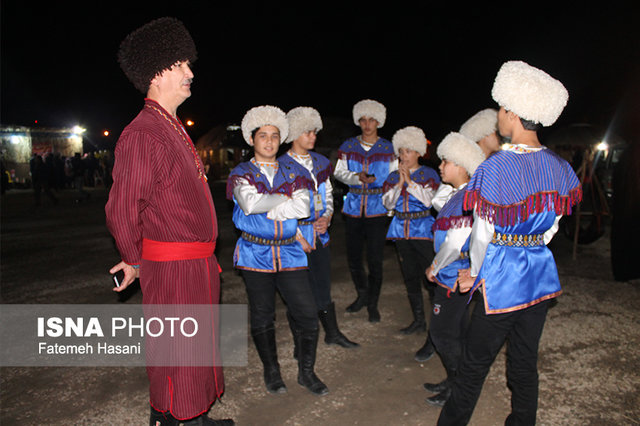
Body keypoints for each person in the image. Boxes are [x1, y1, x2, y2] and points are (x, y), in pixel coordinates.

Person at [438, 60, 582, 425]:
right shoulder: (560, 166)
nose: (498, 116)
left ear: (513, 114)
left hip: (502, 276)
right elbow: (552, 228)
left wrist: (475, 272)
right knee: (524, 362)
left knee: (473, 366)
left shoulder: (497, 166)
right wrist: (530, 242)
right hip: (538, 272)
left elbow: (483, 232)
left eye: (501, 109)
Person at [105, 17, 233, 426]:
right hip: (174, 269)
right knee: (178, 356)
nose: (190, 72)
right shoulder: (143, 133)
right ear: (156, 71)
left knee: (195, 353)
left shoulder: (172, 126)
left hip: (195, 265)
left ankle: (193, 416)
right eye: (180, 64)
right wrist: (134, 258)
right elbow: (122, 208)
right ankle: (178, 420)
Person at [227, 105, 329, 396]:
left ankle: (306, 373)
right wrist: (282, 202)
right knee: (262, 315)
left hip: (290, 251)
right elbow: (248, 204)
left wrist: (269, 203)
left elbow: (304, 206)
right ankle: (272, 371)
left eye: (274, 136)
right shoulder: (240, 172)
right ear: (251, 139)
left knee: (308, 313)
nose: (269, 141)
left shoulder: (293, 171)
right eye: (263, 136)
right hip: (254, 252)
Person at [280, 106, 359, 351]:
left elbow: (327, 194)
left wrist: (326, 216)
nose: (313, 136)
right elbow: (278, 208)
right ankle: (300, 342)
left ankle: (332, 333)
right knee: (298, 295)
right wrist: (295, 231)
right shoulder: (280, 165)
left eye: (314, 132)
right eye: (307, 132)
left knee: (323, 286)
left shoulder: (322, 162)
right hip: (293, 239)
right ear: (293, 134)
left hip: (319, 234)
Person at [422, 132, 485, 407]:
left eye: (445, 161)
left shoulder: (465, 200)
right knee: (456, 332)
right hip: (455, 272)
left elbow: (455, 242)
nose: (440, 166)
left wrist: (434, 267)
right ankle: (455, 381)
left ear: (460, 165)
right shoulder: (459, 194)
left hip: (451, 274)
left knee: (442, 333)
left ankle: (460, 388)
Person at [334, 99, 398, 322]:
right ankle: (362, 295)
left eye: (372, 120)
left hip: (378, 211)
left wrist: (391, 210)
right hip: (352, 209)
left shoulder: (389, 148)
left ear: (379, 121)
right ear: (358, 121)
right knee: (353, 258)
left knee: (375, 260)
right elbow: (339, 172)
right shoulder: (349, 146)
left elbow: (394, 179)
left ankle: (373, 303)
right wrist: (354, 177)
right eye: (363, 119)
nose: (367, 124)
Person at [382, 126, 439, 335]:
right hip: (401, 231)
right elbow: (388, 204)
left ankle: (437, 323)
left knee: (430, 276)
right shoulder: (392, 177)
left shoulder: (429, 174)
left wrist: (410, 182)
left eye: (408, 151)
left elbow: (429, 201)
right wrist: (398, 184)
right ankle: (418, 321)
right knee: (410, 276)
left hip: (423, 230)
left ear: (418, 152)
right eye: (401, 151)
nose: (404, 156)